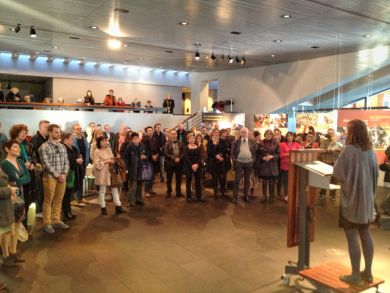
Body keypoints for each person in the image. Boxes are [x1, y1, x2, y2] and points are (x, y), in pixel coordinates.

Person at [333, 119, 378, 286]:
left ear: (352, 132)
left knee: (352, 235)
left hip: (352, 200)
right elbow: (376, 175)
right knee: (365, 233)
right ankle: (368, 272)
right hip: (367, 201)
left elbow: (337, 173)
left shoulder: (348, 151)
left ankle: (355, 276)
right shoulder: (371, 151)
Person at [0, 140, 31, 265]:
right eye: (15, 147)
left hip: (20, 196)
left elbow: (27, 178)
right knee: (8, 228)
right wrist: (19, 179)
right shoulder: (5, 164)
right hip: (9, 199)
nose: (18, 149)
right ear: (7, 149)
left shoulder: (20, 161)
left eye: (18, 146)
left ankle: (13, 251)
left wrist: (19, 179)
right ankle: (6, 254)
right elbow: (13, 179)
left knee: (17, 225)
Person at [39, 124, 70, 234]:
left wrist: (64, 173)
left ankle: (56, 220)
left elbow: (66, 161)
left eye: (59, 131)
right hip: (50, 177)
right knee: (48, 201)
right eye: (56, 132)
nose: (58, 133)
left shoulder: (62, 146)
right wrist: (58, 175)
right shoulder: (44, 147)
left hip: (62, 176)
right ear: (50, 133)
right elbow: (46, 164)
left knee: (59, 199)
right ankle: (47, 223)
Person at [9, 124, 36, 231]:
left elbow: (32, 157)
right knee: (17, 203)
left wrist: (32, 163)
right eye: (23, 131)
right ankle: (16, 229)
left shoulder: (27, 144)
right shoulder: (10, 145)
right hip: (16, 178)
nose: (25, 133)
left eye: (26, 131)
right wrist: (22, 165)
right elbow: (7, 160)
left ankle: (24, 227)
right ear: (16, 132)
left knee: (27, 202)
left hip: (28, 176)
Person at [93, 136, 124, 215]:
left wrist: (112, 161)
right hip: (102, 173)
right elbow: (97, 164)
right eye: (102, 141)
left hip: (111, 172)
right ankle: (103, 207)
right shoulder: (96, 151)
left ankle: (118, 206)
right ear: (99, 142)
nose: (104, 142)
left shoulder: (109, 149)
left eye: (105, 141)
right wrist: (107, 161)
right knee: (102, 190)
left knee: (114, 189)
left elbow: (113, 160)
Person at [231, 127, 257, 203]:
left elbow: (255, 153)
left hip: (249, 163)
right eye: (242, 132)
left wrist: (253, 160)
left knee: (247, 181)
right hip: (239, 162)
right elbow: (232, 153)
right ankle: (234, 197)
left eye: (245, 132)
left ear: (248, 133)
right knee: (237, 180)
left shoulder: (252, 142)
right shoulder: (236, 142)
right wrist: (235, 161)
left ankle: (246, 196)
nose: (243, 134)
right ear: (240, 133)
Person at [31, 120, 50, 217]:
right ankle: (38, 211)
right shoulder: (36, 138)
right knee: (39, 189)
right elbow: (32, 154)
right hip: (39, 169)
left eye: (48, 127)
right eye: (45, 127)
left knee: (44, 189)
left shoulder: (46, 138)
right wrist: (38, 165)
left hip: (46, 168)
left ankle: (42, 209)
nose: (47, 129)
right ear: (40, 128)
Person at [61, 133, 82, 220]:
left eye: (72, 139)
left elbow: (78, 155)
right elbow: (66, 160)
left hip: (73, 171)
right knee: (65, 194)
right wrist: (76, 160)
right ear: (65, 140)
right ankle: (65, 213)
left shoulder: (73, 148)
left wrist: (79, 160)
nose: (72, 140)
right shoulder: (63, 148)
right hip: (66, 172)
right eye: (70, 139)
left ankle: (69, 211)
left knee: (69, 193)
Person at [0, 168, 18, 268]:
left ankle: (7, 255)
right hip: (2, 206)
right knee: (4, 232)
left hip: (5, 204)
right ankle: (5, 256)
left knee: (7, 231)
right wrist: (9, 190)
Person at [256, 129, 280, 204]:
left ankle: (271, 197)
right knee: (264, 181)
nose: (268, 135)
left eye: (270, 134)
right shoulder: (261, 142)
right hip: (263, 164)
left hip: (272, 165)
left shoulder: (276, 143)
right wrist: (262, 158)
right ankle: (264, 196)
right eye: (267, 134)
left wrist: (272, 157)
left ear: (272, 135)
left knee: (271, 182)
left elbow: (279, 155)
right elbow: (258, 154)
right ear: (265, 135)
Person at [122, 132, 146, 207]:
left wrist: (145, 157)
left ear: (139, 139)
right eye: (134, 138)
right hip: (132, 169)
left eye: (137, 138)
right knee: (132, 186)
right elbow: (125, 158)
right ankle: (130, 201)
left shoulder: (143, 146)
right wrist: (126, 168)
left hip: (141, 168)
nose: (136, 140)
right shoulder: (129, 147)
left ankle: (139, 200)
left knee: (140, 185)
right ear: (131, 140)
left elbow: (147, 154)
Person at [318, 128, 342, 201]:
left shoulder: (338, 142)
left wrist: (337, 149)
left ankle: (333, 195)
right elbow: (321, 151)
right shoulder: (324, 141)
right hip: (326, 162)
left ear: (334, 133)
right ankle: (322, 194)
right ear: (327, 134)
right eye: (329, 133)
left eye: (332, 133)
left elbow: (343, 150)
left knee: (334, 179)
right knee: (324, 179)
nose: (330, 134)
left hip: (335, 162)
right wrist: (327, 150)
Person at [279, 132, 301, 201]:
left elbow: (299, 154)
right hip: (285, 166)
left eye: (291, 136)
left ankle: (293, 194)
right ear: (286, 137)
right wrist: (290, 153)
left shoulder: (297, 144)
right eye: (288, 136)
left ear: (293, 137)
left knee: (294, 181)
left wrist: (289, 153)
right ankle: (286, 195)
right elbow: (281, 155)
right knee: (286, 182)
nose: (289, 138)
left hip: (294, 166)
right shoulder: (282, 144)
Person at [72, 124, 90, 205]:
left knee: (81, 180)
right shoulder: (72, 139)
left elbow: (87, 151)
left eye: (80, 128)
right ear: (74, 130)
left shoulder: (84, 139)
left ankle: (80, 197)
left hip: (83, 163)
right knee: (75, 180)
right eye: (77, 129)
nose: (79, 130)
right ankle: (74, 199)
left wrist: (86, 161)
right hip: (76, 163)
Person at [164, 129, 184, 198]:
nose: (174, 135)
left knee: (179, 178)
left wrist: (179, 158)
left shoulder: (181, 142)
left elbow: (183, 152)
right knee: (169, 178)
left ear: (177, 134)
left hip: (179, 163)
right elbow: (165, 153)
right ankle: (169, 192)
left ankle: (178, 191)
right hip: (170, 163)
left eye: (175, 133)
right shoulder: (167, 143)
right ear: (170, 135)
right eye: (172, 133)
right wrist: (174, 158)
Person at [183, 133, 203, 202]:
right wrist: (192, 165)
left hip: (197, 166)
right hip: (189, 166)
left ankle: (199, 196)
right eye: (190, 138)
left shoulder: (198, 147)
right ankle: (189, 197)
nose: (192, 139)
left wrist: (197, 164)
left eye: (193, 138)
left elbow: (200, 157)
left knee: (198, 181)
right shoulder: (185, 148)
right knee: (188, 182)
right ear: (188, 140)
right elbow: (186, 158)